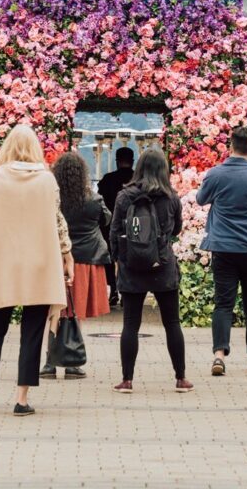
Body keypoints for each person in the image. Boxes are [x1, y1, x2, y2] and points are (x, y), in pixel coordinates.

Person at [0, 125, 74, 417]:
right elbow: (57, 221)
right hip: (39, 261)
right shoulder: (46, 180)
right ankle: (22, 400)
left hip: (4, 263)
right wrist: (66, 253)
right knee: (33, 332)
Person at [196, 126, 247, 376]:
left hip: (223, 247)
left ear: (230, 146)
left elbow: (201, 199)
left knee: (223, 303)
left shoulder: (216, 174)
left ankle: (219, 355)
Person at [110, 148, 192, 394]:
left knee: (130, 324)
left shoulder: (124, 196)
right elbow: (176, 229)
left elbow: (114, 232)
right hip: (163, 265)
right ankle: (180, 378)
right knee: (172, 323)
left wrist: (120, 260)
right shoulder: (171, 197)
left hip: (132, 266)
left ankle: (127, 380)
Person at [42, 152, 111, 380]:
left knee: (54, 310)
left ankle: (50, 362)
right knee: (75, 310)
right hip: (86, 258)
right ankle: (71, 360)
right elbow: (106, 220)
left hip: (57, 256)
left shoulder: (52, 199)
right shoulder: (93, 199)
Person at [97, 146, 135, 306]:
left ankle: (112, 290)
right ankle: (128, 292)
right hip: (133, 225)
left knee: (110, 259)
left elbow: (100, 202)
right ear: (132, 161)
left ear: (117, 161)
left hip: (110, 224)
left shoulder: (107, 179)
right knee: (129, 258)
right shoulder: (137, 179)